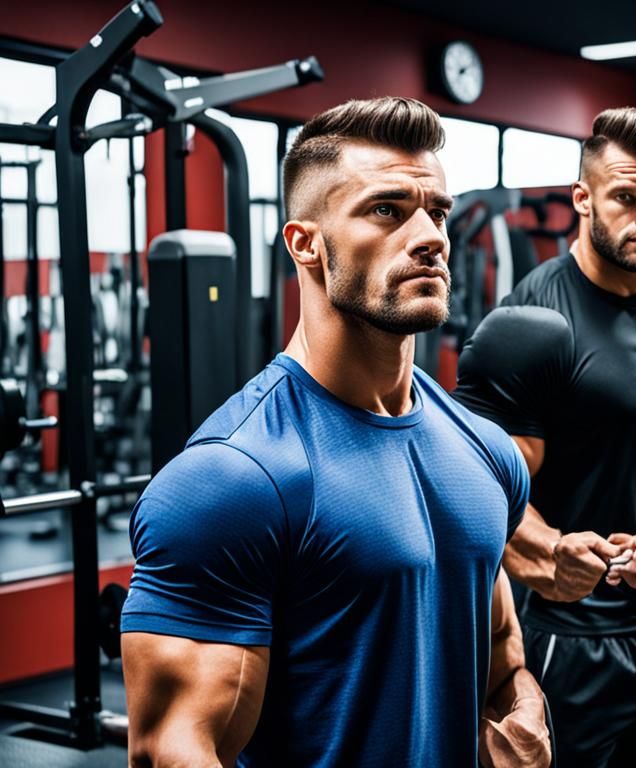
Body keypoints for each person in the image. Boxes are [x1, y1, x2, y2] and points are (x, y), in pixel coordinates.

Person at [119, 97, 549, 768]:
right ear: (306, 244)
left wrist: (523, 711)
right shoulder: (234, 479)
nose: (431, 236)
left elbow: (500, 652)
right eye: (387, 211)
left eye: (437, 212)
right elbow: (172, 749)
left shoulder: (486, 451)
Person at [454, 106, 636, 767]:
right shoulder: (531, 328)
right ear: (582, 198)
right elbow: (473, 490)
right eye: (626, 197)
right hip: (566, 640)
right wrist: (550, 549)